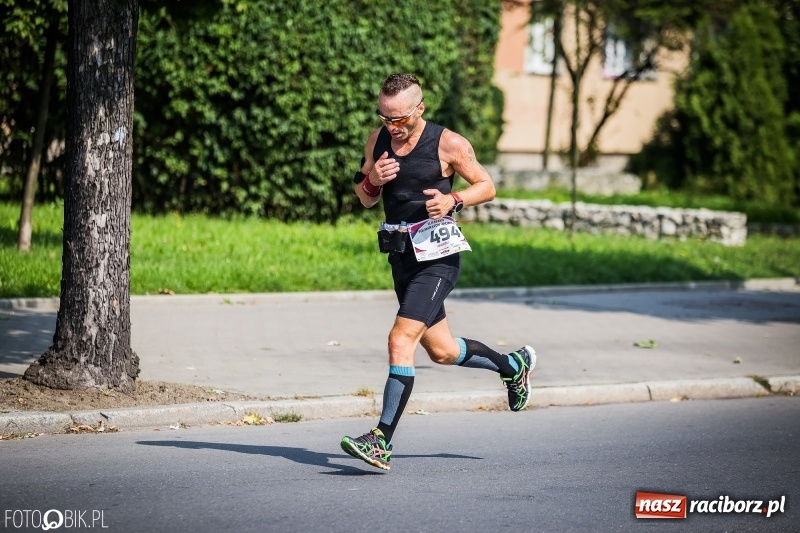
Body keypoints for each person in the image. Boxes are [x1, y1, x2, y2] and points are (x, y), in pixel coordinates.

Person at [340, 73, 536, 471]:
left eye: (400, 120)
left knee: (400, 341)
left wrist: (453, 199)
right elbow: (363, 196)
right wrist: (373, 180)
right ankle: (513, 366)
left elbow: (487, 185)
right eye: (385, 118)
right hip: (401, 257)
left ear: (420, 110)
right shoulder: (377, 140)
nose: (392, 127)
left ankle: (381, 441)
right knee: (443, 351)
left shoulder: (448, 143)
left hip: (438, 258)